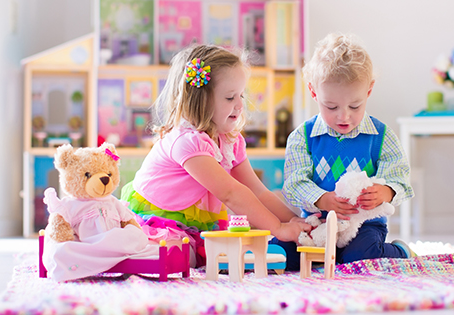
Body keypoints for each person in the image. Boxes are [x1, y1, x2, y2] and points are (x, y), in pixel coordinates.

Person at [120, 44, 311, 267]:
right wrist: (278, 228)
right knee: (177, 260)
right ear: (200, 100)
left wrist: (295, 221)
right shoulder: (186, 141)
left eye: (241, 95)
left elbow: (258, 190)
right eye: (230, 98)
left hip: (193, 225)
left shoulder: (230, 140)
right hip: (160, 220)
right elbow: (231, 193)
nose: (240, 105)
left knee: (214, 256)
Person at [270, 33, 416, 270]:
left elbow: (400, 177)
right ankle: (322, 256)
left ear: (368, 91)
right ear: (314, 92)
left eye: (354, 106)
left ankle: (400, 251)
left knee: (360, 257)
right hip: (316, 223)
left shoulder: (381, 135)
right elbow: (294, 184)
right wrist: (322, 199)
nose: (344, 116)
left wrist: (386, 191)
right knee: (281, 253)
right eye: (332, 106)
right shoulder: (303, 137)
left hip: (364, 225)